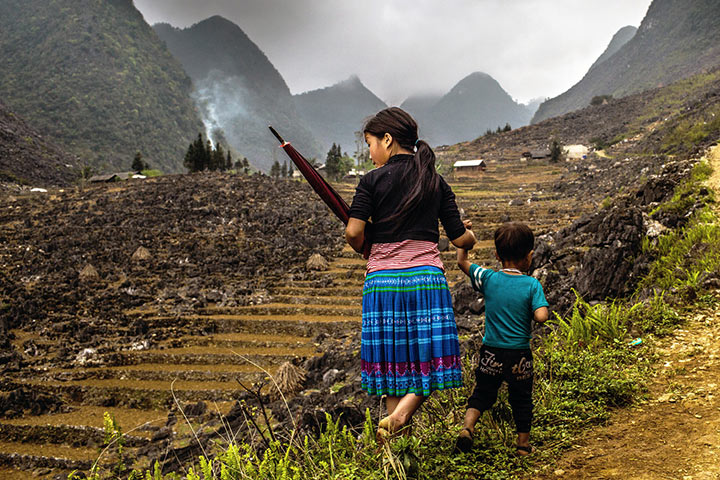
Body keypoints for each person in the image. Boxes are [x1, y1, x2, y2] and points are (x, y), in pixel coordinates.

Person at [345, 107, 476, 441]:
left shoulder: (370, 182)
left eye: (370, 144)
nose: (370, 152)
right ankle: (402, 418)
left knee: (392, 367)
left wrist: (368, 248)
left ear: (387, 140)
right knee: (433, 357)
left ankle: (398, 445)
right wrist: (470, 237)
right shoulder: (434, 181)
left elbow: (353, 232)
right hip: (425, 280)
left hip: (382, 283)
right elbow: (460, 237)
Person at [454, 222, 549, 455]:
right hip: (519, 355)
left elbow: (462, 262)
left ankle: (467, 428)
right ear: (529, 256)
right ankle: (523, 446)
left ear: (496, 255)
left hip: (491, 352)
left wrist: (462, 236)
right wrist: (533, 310)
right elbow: (542, 316)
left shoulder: (488, 278)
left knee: (482, 394)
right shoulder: (531, 284)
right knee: (522, 399)